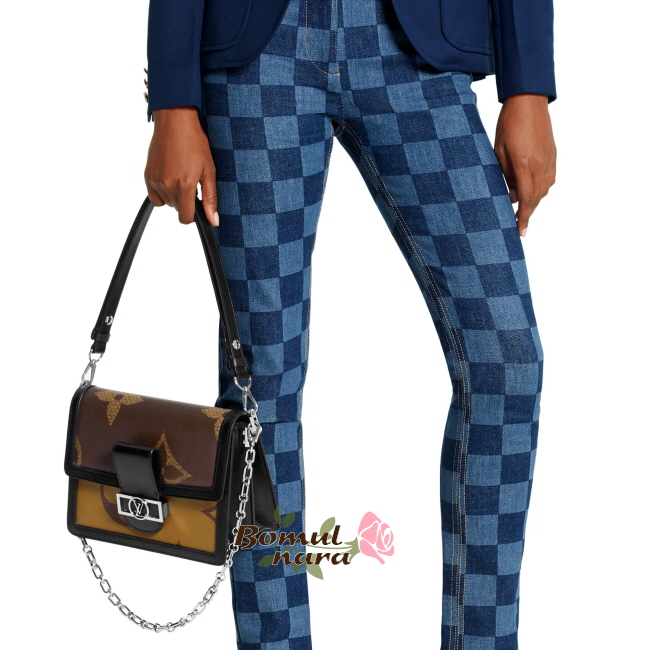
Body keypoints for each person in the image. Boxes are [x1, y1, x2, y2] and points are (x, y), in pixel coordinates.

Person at [143, 0, 555, 648]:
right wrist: (173, 94)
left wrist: (527, 84)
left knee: (507, 361)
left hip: (416, 46)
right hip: (259, 52)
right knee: (260, 389)